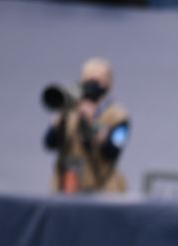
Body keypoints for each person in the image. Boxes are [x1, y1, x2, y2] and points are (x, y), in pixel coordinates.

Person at [43, 57, 130, 194]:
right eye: (87, 78)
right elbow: (49, 143)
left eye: (97, 80)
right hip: (66, 187)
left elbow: (112, 151)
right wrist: (59, 119)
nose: (91, 84)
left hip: (101, 188)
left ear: (108, 83)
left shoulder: (118, 116)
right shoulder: (70, 111)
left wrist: (92, 123)